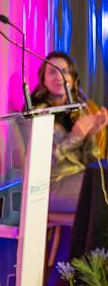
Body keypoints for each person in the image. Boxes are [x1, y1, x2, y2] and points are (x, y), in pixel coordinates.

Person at [31, 51, 108, 212]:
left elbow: (90, 160)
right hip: (50, 185)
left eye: (64, 71)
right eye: (52, 72)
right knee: (101, 195)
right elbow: (40, 165)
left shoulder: (80, 109)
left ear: (73, 79)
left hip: (81, 175)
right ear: (43, 80)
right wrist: (74, 137)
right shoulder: (36, 114)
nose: (59, 77)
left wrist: (93, 133)